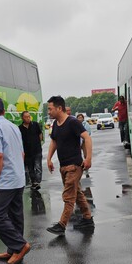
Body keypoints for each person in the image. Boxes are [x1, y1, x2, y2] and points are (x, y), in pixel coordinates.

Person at [0, 97, 31, 264]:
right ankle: (14, 249)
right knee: (15, 215)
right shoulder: (13, 126)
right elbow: (22, 154)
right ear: (4, 112)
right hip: (18, 178)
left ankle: (20, 245)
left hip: (5, 181)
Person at [46, 96, 94, 235]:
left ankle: (62, 225)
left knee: (68, 196)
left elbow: (87, 138)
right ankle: (87, 219)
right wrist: (49, 159)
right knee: (77, 193)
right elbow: (54, 142)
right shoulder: (55, 124)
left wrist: (88, 158)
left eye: (50, 109)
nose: (48, 112)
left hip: (74, 166)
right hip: (63, 166)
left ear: (59, 108)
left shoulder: (72, 122)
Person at [19, 111, 43, 190]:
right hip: (27, 152)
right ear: (22, 118)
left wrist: (39, 143)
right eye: (26, 117)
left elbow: (40, 134)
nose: (28, 118)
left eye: (29, 116)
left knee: (38, 166)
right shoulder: (20, 128)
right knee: (30, 168)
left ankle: (38, 181)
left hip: (37, 150)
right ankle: (34, 182)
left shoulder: (35, 124)